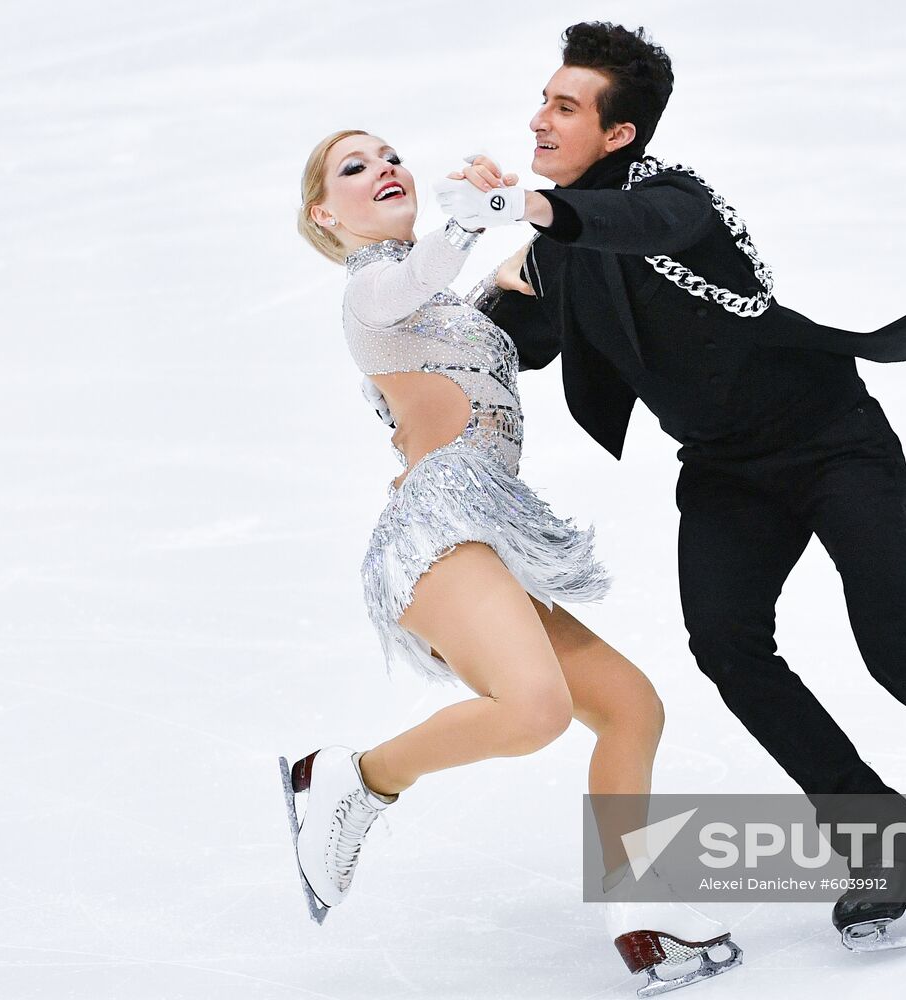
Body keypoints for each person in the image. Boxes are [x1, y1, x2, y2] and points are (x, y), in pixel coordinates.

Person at [435, 20, 906, 950]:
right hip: (726, 470)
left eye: (564, 107)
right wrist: (425, 308)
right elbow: (497, 349)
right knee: (728, 645)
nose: (539, 119)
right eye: (543, 98)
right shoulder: (551, 251)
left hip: (830, 443)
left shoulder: (673, 199)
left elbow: (634, 226)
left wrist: (533, 214)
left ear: (619, 135)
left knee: (902, 648)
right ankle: (891, 861)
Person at [283, 128, 744, 994]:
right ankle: (353, 778)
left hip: (485, 536)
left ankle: (637, 914)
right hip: (435, 533)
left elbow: (476, 313)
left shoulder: (436, 300)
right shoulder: (370, 293)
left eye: (389, 155)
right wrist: (464, 229)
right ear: (323, 212)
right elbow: (411, 281)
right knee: (532, 711)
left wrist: (526, 239)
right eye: (354, 167)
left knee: (629, 709)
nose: (383, 167)